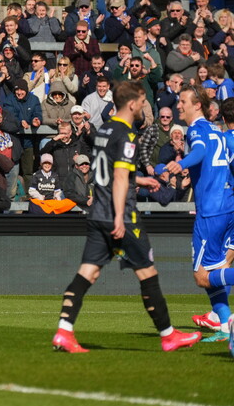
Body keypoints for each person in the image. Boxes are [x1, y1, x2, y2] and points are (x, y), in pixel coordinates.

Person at [52, 81, 201, 354]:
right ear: (132, 104)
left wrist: (140, 180)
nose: (144, 106)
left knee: (88, 272)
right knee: (147, 272)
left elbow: (109, 171)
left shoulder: (104, 130)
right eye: (142, 101)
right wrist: (120, 216)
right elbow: (119, 176)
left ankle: (64, 331)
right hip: (121, 215)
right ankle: (168, 335)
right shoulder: (127, 134)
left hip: (98, 212)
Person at [158, 86, 234, 343]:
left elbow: (200, 151)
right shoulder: (218, 130)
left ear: (197, 105)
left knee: (202, 277)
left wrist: (181, 163)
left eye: (182, 101)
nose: (178, 105)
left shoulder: (196, 130)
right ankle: (225, 326)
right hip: (228, 205)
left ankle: (224, 322)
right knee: (218, 269)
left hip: (211, 211)